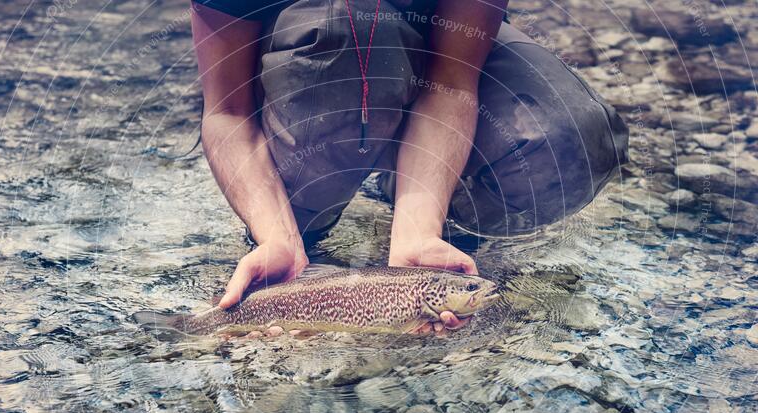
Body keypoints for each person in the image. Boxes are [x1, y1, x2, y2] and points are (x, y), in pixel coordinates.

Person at [190, 0, 628, 334]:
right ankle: (299, 237)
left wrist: (419, 230)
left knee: (570, 139)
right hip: (319, 60)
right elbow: (227, 111)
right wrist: (276, 236)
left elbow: (452, 84)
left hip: (439, 54)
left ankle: (419, 208)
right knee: (356, 35)